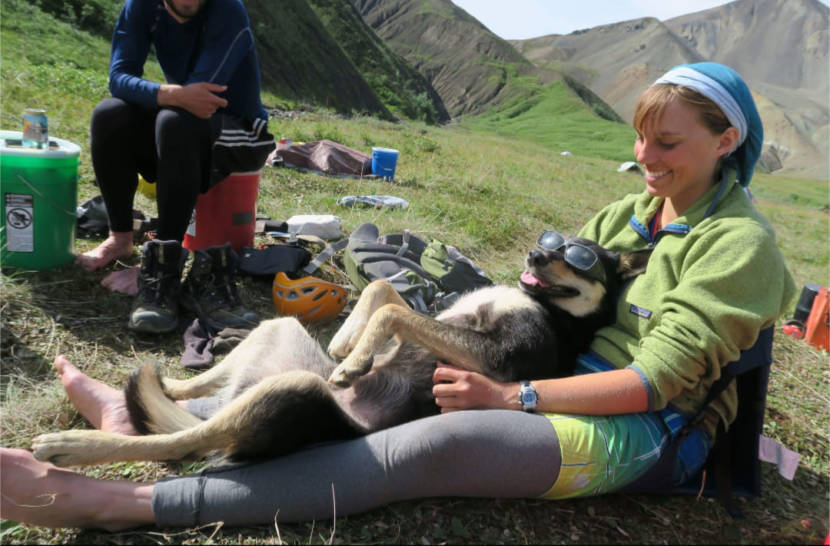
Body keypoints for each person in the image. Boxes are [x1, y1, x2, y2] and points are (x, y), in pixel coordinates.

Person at [0, 62, 795, 530]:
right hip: (557, 373)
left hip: (640, 427)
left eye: (668, 143)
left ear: (726, 143)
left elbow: (651, 383)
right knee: (301, 362)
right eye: (641, 138)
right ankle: (151, 410)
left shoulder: (740, 247)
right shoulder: (634, 211)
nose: (645, 157)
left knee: (436, 447)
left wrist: (509, 394)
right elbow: (555, 295)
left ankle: (122, 502)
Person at [75, 0, 274, 334]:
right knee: (109, 115)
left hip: (242, 130)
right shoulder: (140, 7)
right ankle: (120, 238)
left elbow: (204, 94)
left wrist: (167, 97)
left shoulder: (227, 10)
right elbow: (119, 78)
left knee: (174, 122)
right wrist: (167, 92)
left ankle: (160, 269)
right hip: (187, 114)